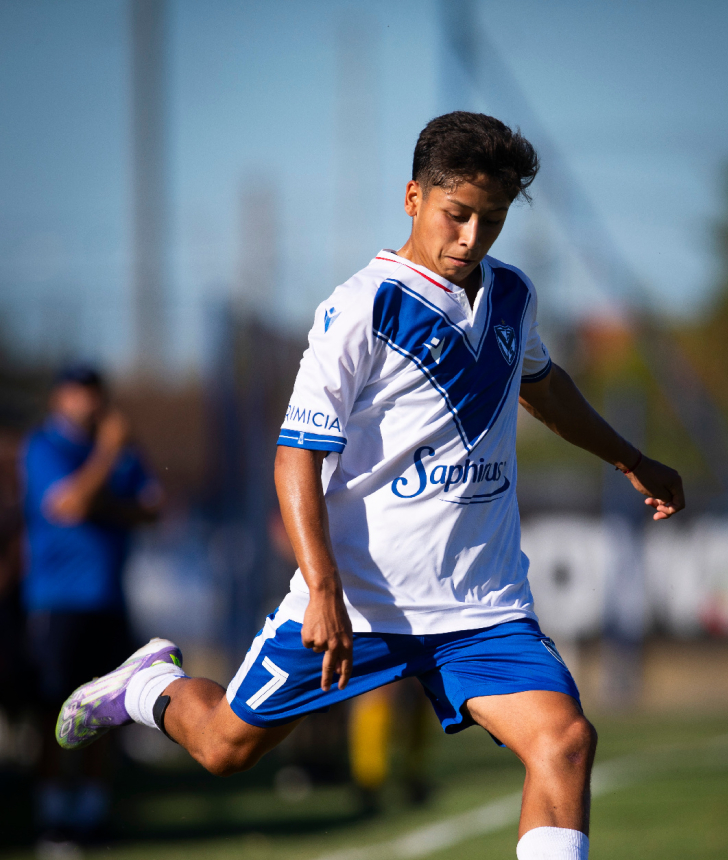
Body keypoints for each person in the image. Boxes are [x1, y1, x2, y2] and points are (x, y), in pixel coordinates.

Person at [56, 113, 684, 859]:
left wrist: (630, 459)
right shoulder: (363, 307)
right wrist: (323, 588)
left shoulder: (513, 296)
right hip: (360, 598)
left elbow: (542, 387)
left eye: (492, 220)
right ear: (414, 198)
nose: (472, 237)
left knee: (565, 741)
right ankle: (144, 686)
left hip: (482, 606)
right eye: (457, 214)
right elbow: (296, 457)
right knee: (225, 747)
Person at [23, 365, 162, 845]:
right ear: (58, 398)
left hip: (108, 598)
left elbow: (152, 508)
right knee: (52, 705)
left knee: (107, 708)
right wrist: (106, 456)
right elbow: (68, 505)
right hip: (56, 602)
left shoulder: (123, 448)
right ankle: (51, 816)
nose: (87, 402)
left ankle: (91, 813)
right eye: (77, 393)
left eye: (93, 392)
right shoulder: (45, 447)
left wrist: (105, 498)